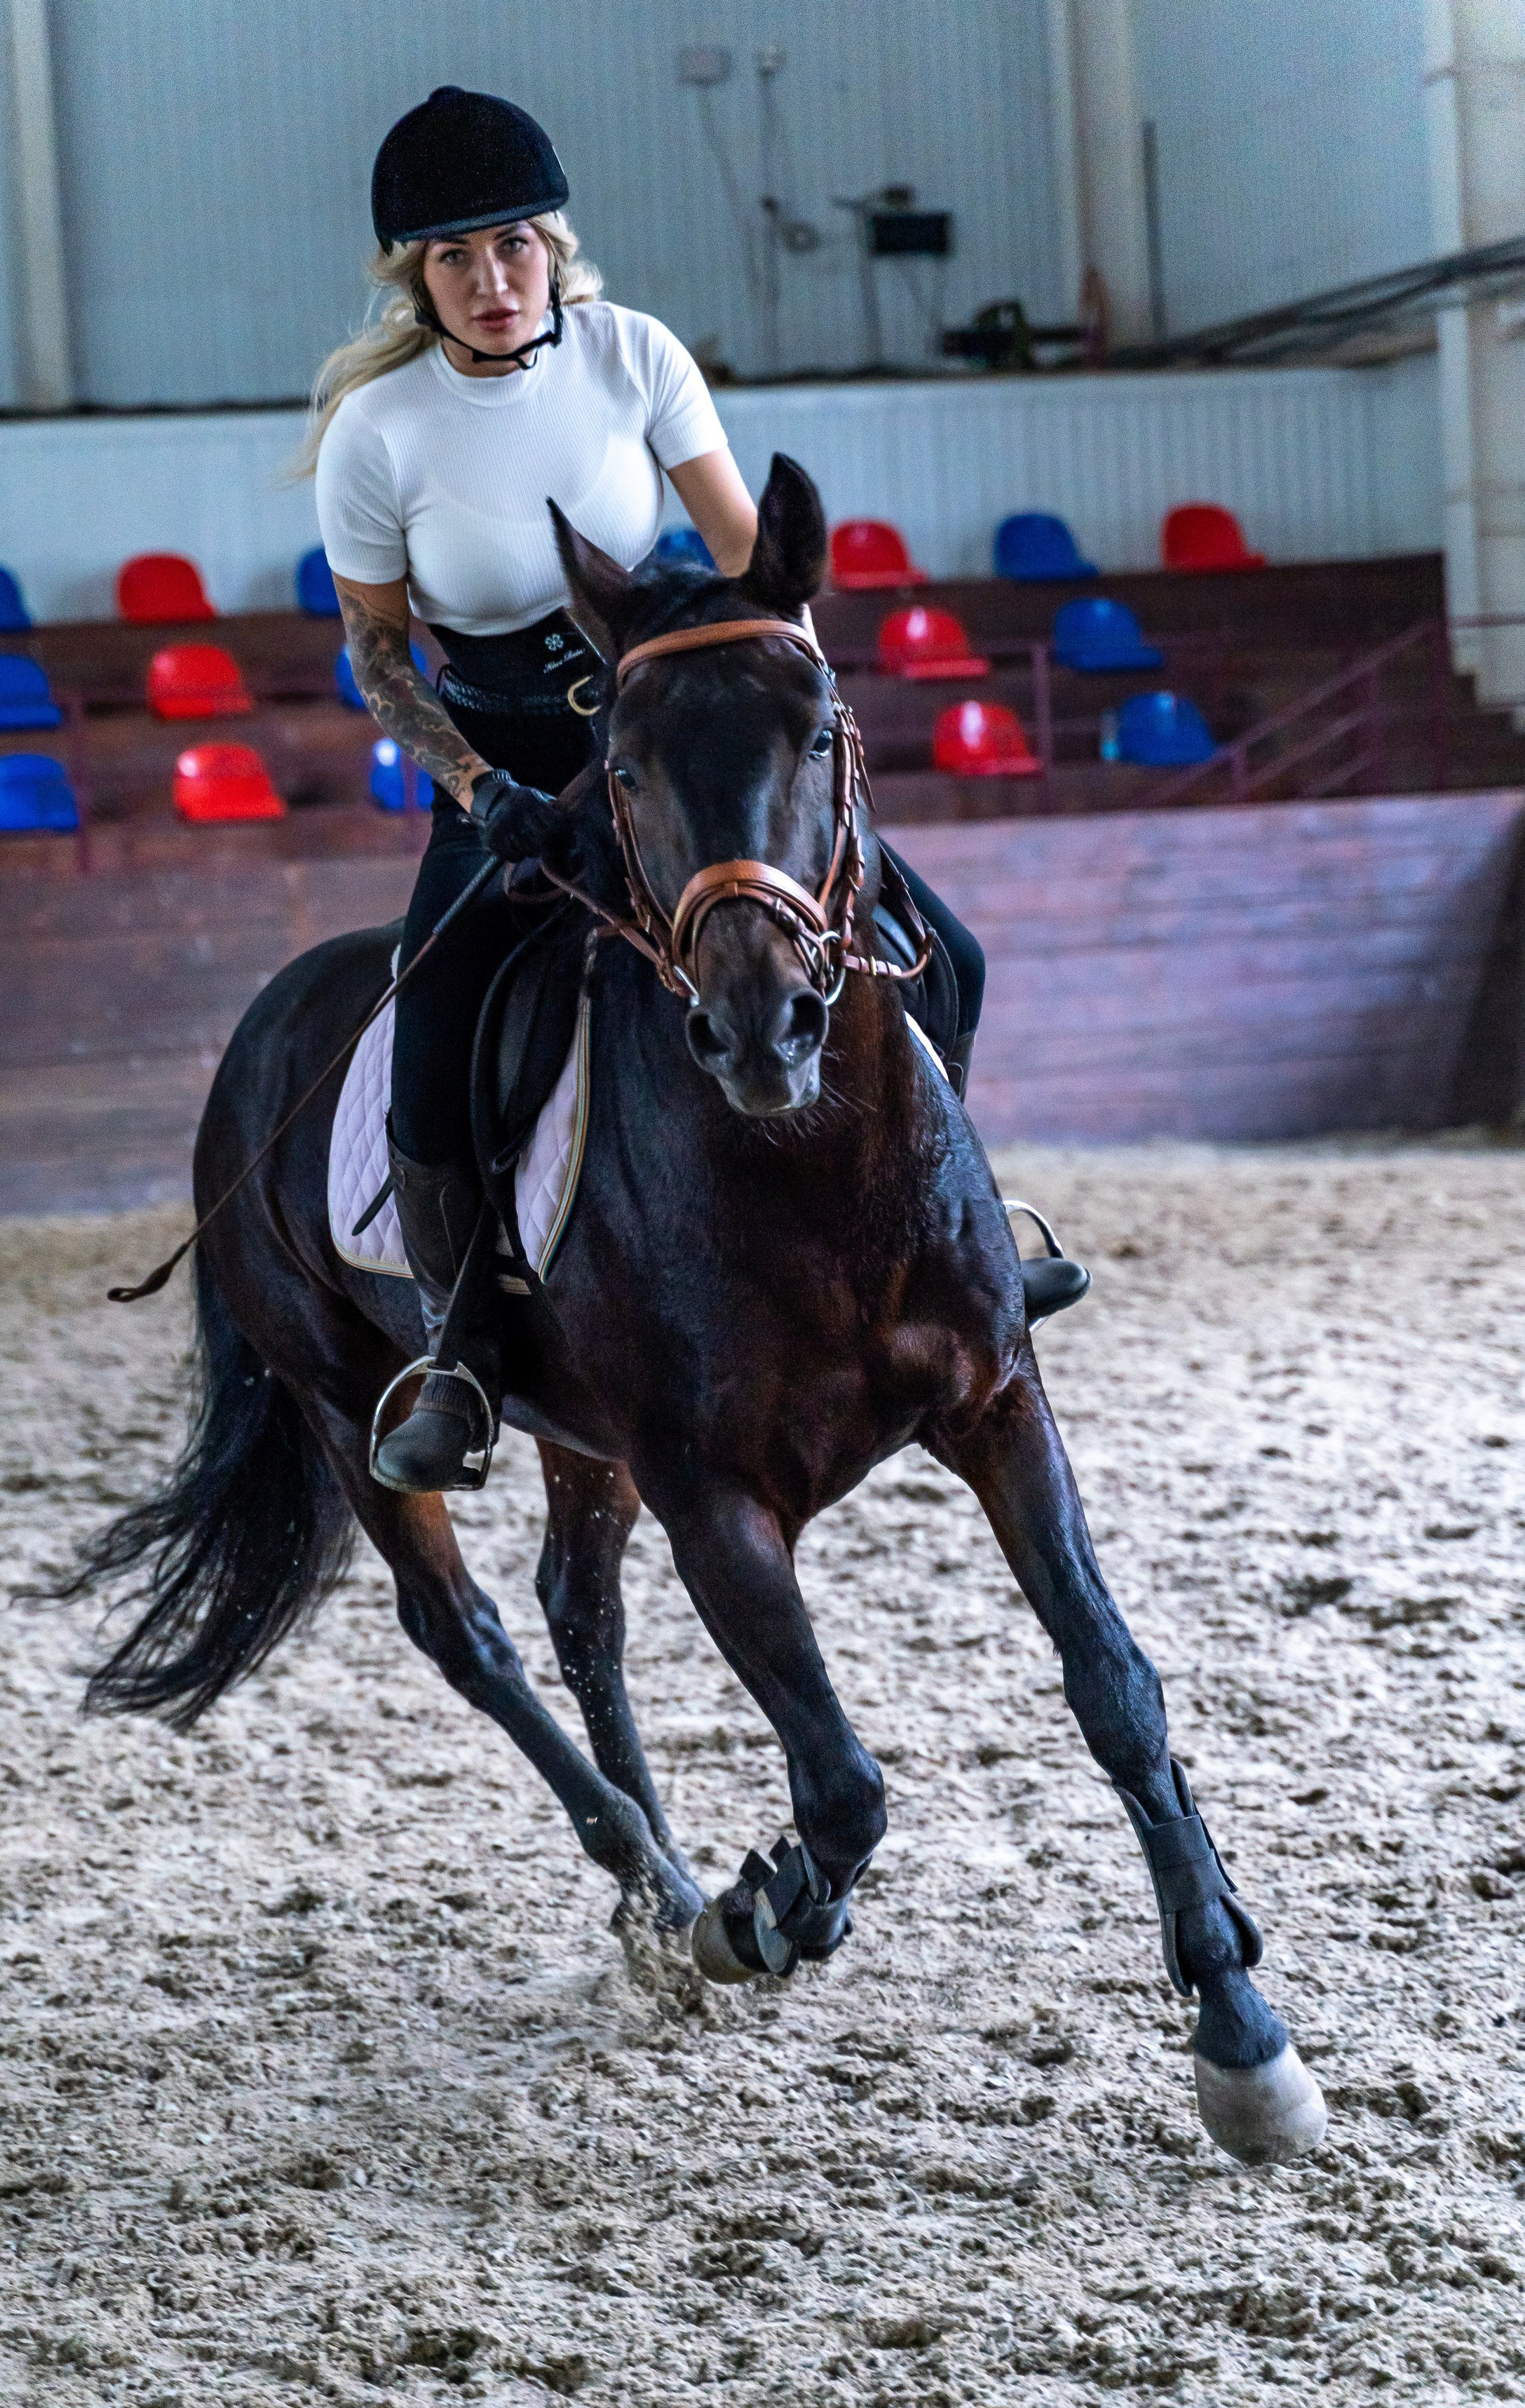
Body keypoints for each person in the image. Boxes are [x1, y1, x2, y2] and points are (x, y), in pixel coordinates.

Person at [311, 86, 1057, 1495]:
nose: (488, 281)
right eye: (453, 258)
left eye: (512, 247)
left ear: (553, 246)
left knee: (941, 953)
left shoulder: (631, 356)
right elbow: (377, 658)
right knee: (437, 1036)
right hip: (514, 776)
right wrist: (479, 789)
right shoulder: (378, 431)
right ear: (412, 277)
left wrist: (805, 741)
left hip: (682, 754)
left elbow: (751, 566)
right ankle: (465, 1356)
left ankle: (961, 1234)